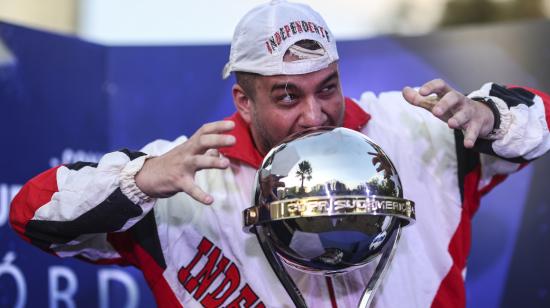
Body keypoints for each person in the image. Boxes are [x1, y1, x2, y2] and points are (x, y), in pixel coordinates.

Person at [9, 1, 550, 307]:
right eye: (288, 96)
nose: (315, 116)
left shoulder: (418, 129)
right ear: (242, 101)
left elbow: (539, 115)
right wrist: (142, 180)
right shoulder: (186, 176)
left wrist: (492, 118)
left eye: (328, 87)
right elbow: (30, 214)